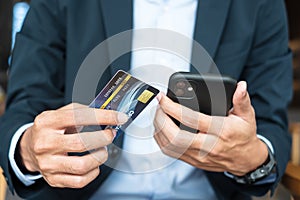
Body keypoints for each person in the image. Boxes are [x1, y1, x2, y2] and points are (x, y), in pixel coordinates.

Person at [0, 0, 293, 199]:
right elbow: (23, 107)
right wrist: (28, 150)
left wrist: (252, 157)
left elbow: (272, 126)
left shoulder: (260, 5)